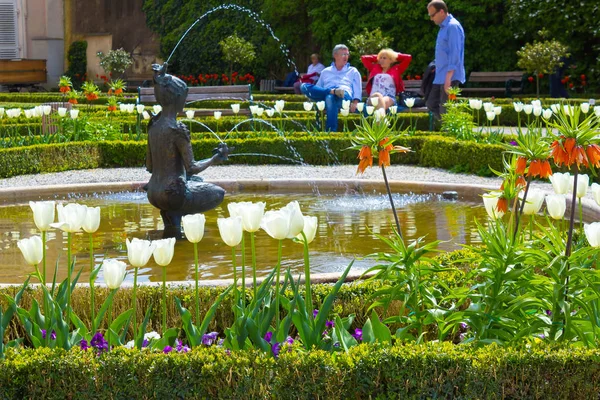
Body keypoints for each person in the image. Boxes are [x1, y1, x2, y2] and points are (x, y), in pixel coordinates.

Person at [146, 63, 229, 237]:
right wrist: (215, 158)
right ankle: (175, 217)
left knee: (196, 180)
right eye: (184, 97)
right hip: (172, 194)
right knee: (218, 193)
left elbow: (150, 166)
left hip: (153, 192)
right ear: (177, 99)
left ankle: (170, 219)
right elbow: (191, 167)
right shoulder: (177, 129)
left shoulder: (153, 126)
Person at [301, 44, 362, 131]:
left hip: (343, 96)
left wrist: (355, 102)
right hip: (326, 94)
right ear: (335, 55)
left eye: (347, 54)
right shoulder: (326, 71)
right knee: (304, 86)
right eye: (343, 54)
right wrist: (328, 92)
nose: (346, 56)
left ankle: (331, 131)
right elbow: (318, 88)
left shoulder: (353, 71)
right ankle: (332, 91)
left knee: (330, 97)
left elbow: (357, 89)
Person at [426, 0, 465, 121]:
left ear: (441, 11)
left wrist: (448, 78)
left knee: (446, 110)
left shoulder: (453, 26)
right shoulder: (443, 27)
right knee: (431, 104)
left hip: (449, 77)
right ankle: (450, 126)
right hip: (440, 76)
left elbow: (455, 53)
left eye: (433, 15)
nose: (432, 19)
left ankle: (451, 131)